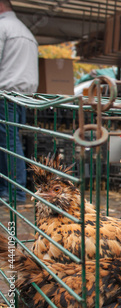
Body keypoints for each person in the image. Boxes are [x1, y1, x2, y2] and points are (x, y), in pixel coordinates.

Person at [0, 0, 38, 203]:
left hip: (5, 93)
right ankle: (13, 190)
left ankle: (14, 192)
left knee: (7, 143)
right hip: (22, 95)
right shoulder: (25, 32)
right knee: (11, 141)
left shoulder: (3, 27)